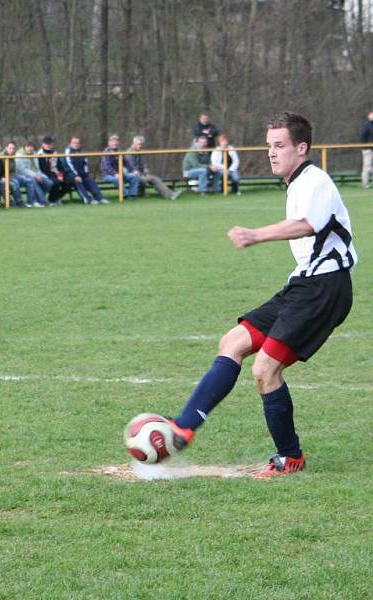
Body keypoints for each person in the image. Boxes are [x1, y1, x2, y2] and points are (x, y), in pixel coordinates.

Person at [165, 112, 356, 477]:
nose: (271, 153)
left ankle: (290, 456)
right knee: (233, 341)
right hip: (303, 283)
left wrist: (255, 235)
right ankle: (183, 427)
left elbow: (305, 225)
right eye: (269, 146)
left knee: (265, 369)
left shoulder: (313, 180)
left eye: (279, 145)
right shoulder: (297, 182)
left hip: (324, 288)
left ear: (302, 148)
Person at [126, 136, 180, 201]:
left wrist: (146, 173)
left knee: (155, 179)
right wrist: (141, 175)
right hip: (132, 174)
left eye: (141, 144)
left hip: (141, 173)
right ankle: (169, 195)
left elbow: (144, 165)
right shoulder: (129, 152)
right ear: (133, 143)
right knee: (147, 179)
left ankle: (170, 195)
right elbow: (131, 167)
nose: (140, 146)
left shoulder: (141, 152)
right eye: (139, 144)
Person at [60, 136, 108, 205]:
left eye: (78, 143)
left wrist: (86, 174)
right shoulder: (68, 152)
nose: (76, 144)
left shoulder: (82, 152)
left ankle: (100, 198)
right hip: (70, 176)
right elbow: (69, 166)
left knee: (90, 181)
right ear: (70, 143)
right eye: (74, 143)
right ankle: (87, 199)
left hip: (81, 174)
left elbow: (85, 164)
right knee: (77, 181)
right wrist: (75, 176)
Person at [4, 141, 45, 207]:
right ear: (6, 148)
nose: (12, 150)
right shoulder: (2, 156)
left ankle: (31, 202)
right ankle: (19, 202)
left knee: (29, 180)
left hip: (14, 175)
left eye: (13, 148)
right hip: (5, 177)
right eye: (10, 148)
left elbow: (14, 170)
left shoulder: (13, 156)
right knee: (16, 183)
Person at [100, 134, 140, 198]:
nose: (115, 143)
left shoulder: (119, 151)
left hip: (121, 174)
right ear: (109, 142)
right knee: (117, 179)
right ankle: (125, 195)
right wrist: (114, 174)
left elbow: (127, 163)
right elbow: (106, 166)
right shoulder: (106, 152)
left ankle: (132, 195)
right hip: (108, 175)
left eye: (116, 141)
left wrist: (133, 170)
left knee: (135, 177)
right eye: (113, 141)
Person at [15, 139, 53, 207]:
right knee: (33, 181)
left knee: (49, 183)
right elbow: (23, 170)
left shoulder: (35, 153)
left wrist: (39, 174)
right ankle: (41, 201)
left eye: (31, 147)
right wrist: (36, 176)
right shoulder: (19, 155)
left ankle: (39, 200)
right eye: (28, 146)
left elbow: (37, 167)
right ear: (24, 147)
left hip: (36, 174)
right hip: (23, 175)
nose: (30, 148)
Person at [37, 136, 70, 206]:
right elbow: (43, 169)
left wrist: (61, 175)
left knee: (69, 181)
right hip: (46, 174)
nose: (49, 145)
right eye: (47, 144)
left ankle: (57, 198)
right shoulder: (40, 154)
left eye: (50, 143)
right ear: (43, 144)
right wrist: (56, 176)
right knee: (55, 182)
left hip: (56, 173)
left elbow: (60, 166)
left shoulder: (55, 152)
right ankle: (51, 200)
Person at [359, 111, 373, 189]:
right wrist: (364, 147)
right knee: (367, 167)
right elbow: (362, 137)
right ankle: (365, 184)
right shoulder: (366, 126)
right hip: (367, 150)